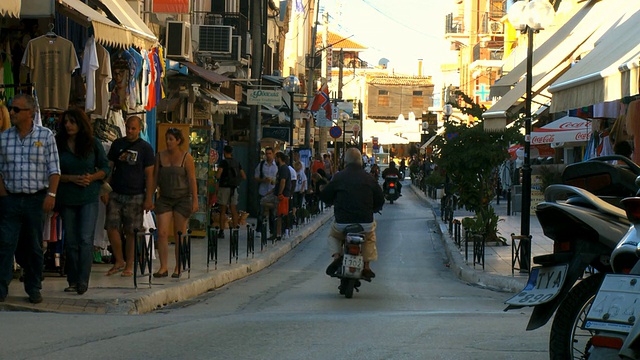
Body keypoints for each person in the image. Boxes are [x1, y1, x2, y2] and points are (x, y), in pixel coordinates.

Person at [0, 93, 60, 304]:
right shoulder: (4, 137)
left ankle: (34, 287)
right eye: (11, 108)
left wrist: (51, 194)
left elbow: (54, 169)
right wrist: (3, 194)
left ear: (30, 112)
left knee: (33, 245)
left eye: (16, 109)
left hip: (36, 200)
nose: (12, 113)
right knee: (5, 243)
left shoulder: (46, 137)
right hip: (11, 199)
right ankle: (1, 286)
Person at [55, 108, 110, 295]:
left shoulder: (93, 143)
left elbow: (105, 167)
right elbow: (52, 171)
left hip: (88, 196)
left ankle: (83, 280)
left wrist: (92, 177)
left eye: (72, 122)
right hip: (67, 196)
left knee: (86, 239)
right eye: (66, 122)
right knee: (70, 240)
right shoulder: (58, 144)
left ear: (81, 124)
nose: (69, 125)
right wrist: (70, 178)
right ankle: (72, 278)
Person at [319, 148, 384, 281]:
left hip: (342, 222)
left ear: (346, 161)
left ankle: (337, 256)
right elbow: (380, 198)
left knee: (333, 235)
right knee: (370, 237)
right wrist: (374, 208)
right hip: (365, 223)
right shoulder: (369, 178)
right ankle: (366, 265)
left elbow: (326, 194)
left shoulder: (339, 177)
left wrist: (331, 202)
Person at [103, 116, 155, 277]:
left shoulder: (145, 148)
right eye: (128, 128)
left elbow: (150, 174)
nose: (130, 131)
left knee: (131, 231)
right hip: (116, 192)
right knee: (111, 227)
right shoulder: (117, 144)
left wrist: (149, 198)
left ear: (139, 129)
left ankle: (129, 265)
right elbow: (109, 168)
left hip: (136, 194)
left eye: (133, 128)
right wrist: (104, 189)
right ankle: (119, 260)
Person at [153, 127, 198, 279]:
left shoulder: (186, 157)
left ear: (178, 141)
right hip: (164, 198)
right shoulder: (160, 156)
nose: (168, 142)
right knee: (162, 233)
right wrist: (150, 198)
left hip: (182, 198)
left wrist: (195, 200)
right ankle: (163, 266)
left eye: (171, 139)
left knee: (179, 233)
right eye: (167, 139)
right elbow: (155, 177)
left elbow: (192, 180)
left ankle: (178, 266)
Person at [215, 145, 246, 238]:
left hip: (224, 188)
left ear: (224, 152)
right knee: (234, 210)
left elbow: (218, 175)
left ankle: (221, 231)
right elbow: (244, 176)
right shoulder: (237, 162)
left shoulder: (223, 162)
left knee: (223, 210)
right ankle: (235, 230)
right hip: (234, 188)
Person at [254, 147, 278, 234]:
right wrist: (263, 180)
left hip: (273, 191)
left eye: (269, 153)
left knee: (273, 213)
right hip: (263, 191)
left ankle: (272, 231)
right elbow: (256, 177)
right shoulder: (261, 165)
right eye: (266, 154)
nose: (268, 155)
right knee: (261, 212)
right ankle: (259, 230)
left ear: (273, 154)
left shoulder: (277, 165)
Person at [273, 151, 291, 240]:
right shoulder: (282, 168)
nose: (275, 160)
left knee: (280, 214)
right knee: (280, 214)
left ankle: (279, 233)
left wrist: (280, 193)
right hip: (282, 194)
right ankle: (279, 232)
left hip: (283, 195)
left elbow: (283, 181)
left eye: (275, 158)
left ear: (279, 158)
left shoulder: (283, 169)